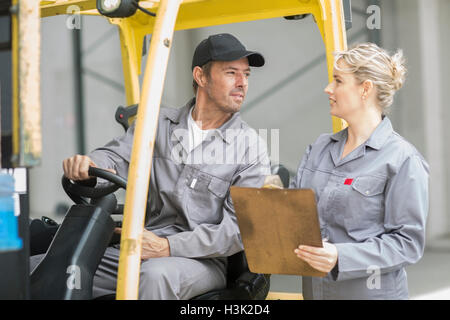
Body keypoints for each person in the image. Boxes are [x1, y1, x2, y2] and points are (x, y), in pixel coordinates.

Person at [30, 33, 270, 299]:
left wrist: (167, 246)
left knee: (155, 276)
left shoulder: (250, 148)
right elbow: (116, 157)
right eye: (231, 72)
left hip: (200, 260)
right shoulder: (157, 123)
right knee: (43, 269)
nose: (242, 83)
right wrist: (90, 166)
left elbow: (237, 230)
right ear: (201, 77)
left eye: (246, 75)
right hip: (140, 245)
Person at [292, 43, 429, 299]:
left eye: (338, 81)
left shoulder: (402, 159)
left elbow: (407, 244)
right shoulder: (319, 148)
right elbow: (295, 214)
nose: (328, 89)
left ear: (365, 89)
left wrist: (339, 257)